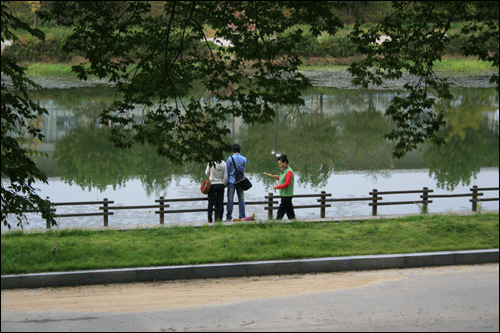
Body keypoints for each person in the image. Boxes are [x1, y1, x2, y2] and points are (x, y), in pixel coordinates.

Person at [226, 143, 247, 221]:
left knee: (230, 199)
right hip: (240, 181)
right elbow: (243, 170)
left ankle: (229, 217)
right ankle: (242, 216)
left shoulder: (229, 159)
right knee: (241, 199)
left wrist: (227, 181)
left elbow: (227, 171)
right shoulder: (244, 159)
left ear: (232, 150)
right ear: (239, 150)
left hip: (231, 181)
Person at [272, 154, 295, 220]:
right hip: (285, 194)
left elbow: (287, 183)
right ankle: (293, 222)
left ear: (285, 163)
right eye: (279, 164)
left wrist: (277, 187)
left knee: (281, 211)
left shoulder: (289, 171)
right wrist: (278, 178)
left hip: (287, 195)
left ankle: (276, 223)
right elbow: (284, 178)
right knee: (289, 211)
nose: (279, 165)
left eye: (280, 164)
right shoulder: (284, 171)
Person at [205, 156, 228, 223]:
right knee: (220, 203)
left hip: (212, 184)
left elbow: (206, 173)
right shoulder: (224, 164)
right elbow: (226, 177)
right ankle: (220, 219)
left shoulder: (211, 163)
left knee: (210, 203)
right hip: (220, 184)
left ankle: (210, 219)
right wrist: (224, 184)